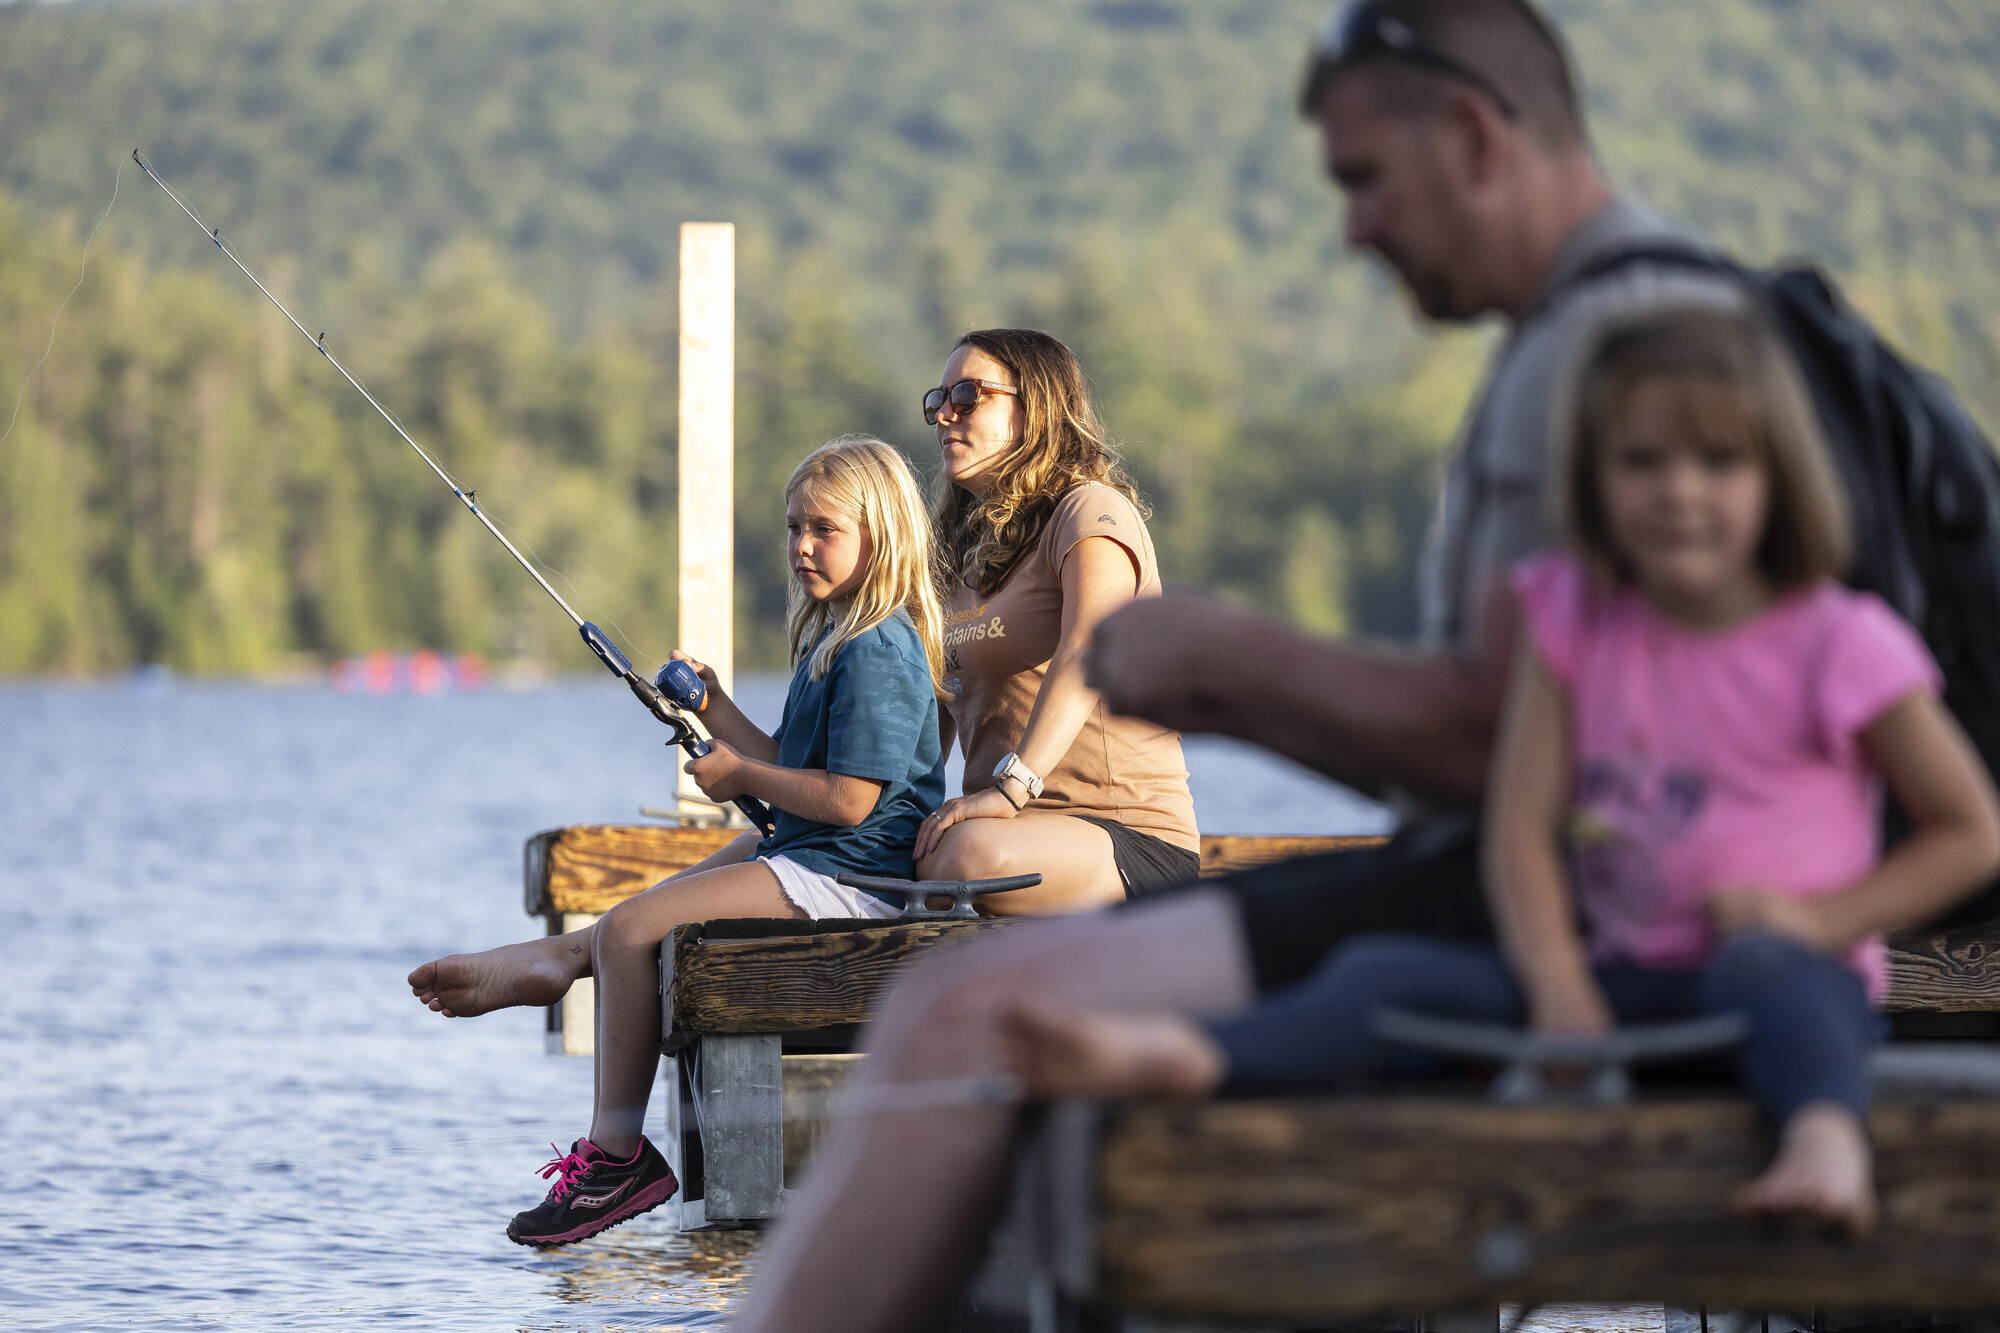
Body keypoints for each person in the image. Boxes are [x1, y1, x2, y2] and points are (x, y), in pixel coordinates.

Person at [729, 3, 1779, 1329]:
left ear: (1471, 135)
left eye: (1362, 182)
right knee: (980, 1014)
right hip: (1523, 885)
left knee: (955, 1028)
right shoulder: (1665, 314)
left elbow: (1519, 753)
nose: (1351, 229)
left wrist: (1246, 667)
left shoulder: (1604, 362)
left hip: (1600, 912)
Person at [1000, 305, 2000, 1237]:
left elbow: (1968, 830)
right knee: (1380, 973)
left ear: (1777, 476)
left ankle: (1823, 1141)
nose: (1678, 489)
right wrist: (1557, 984)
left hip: (1770, 987)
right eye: (1641, 461)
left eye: (1719, 460)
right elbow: (1520, 825)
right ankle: (1185, 1055)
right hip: (1614, 985)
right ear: (1593, 482)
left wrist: (1819, 920)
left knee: (1786, 980)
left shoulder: (1836, 639)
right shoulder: (1574, 623)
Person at [405, 436, 949, 1247]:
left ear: (884, 535)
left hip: (854, 876)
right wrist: (718, 709)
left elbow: (850, 799)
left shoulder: (880, 646)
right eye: (793, 527)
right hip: (813, 854)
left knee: (632, 929)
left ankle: (617, 1156)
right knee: (645, 912)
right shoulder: (835, 635)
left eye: (824, 530)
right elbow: (789, 764)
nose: (801, 545)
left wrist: (739, 779)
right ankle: (556, 959)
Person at [913, 328, 1200, 912]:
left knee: (968, 859)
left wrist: (1013, 788)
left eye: (966, 396)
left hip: (1126, 839)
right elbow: (928, 719)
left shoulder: (1089, 512)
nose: (945, 415)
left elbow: (1086, 653)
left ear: (1036, 408)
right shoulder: (952, 553)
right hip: (1002, 830)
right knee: (843, 846)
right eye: (936, 401)